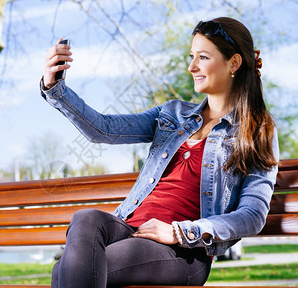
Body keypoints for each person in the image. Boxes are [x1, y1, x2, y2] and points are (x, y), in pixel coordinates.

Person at [40, 17, 279, 287]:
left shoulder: (256, 130)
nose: (192, 67)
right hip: (130, 228)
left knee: (66, 271)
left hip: (183, 252)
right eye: (192, 56)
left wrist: (180, 231)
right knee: (85, 219)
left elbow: (252, 215)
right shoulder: (173, 114)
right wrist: (54, 88)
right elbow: (104, 129)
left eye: (203, 57)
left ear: (233, 63)